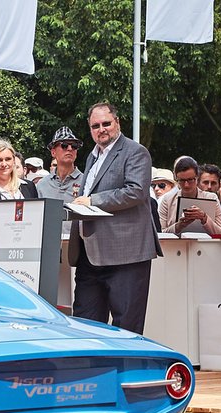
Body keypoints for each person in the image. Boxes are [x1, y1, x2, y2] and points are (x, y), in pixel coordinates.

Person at [66, 102, 161, 334]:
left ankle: (127, 370)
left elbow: (136, 191)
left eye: (106, 123)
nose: (101, 129)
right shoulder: (92, 157)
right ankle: (91, 370)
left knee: (126, 326)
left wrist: (92, 200)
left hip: (125, 254)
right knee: (85, 324)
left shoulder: (135, 151)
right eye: (95, 126)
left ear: (117, 122)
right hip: (89, 253)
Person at [157, 156, 221, 236]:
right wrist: (179, 226)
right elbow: (160, 234)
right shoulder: (167, 200)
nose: (186, 185)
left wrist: (204, 218)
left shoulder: (211, 198)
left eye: (190, 180)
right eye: (181, 180)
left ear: (197, 178)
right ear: (176, 179)